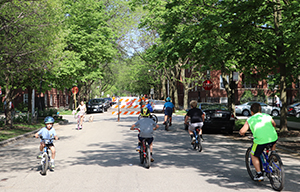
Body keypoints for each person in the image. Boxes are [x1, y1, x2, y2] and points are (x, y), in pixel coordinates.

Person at [239, 103, 278, 181]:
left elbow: (243, 131)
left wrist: (241, 133)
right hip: (273, 137)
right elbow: (274, 124)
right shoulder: (267, 116)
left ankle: (259, 174)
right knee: (274, 140)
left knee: (253, 154)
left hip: (260, 141)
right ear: (261, 110)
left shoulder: (250, 119)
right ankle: (273, 153)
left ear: (251, 112)